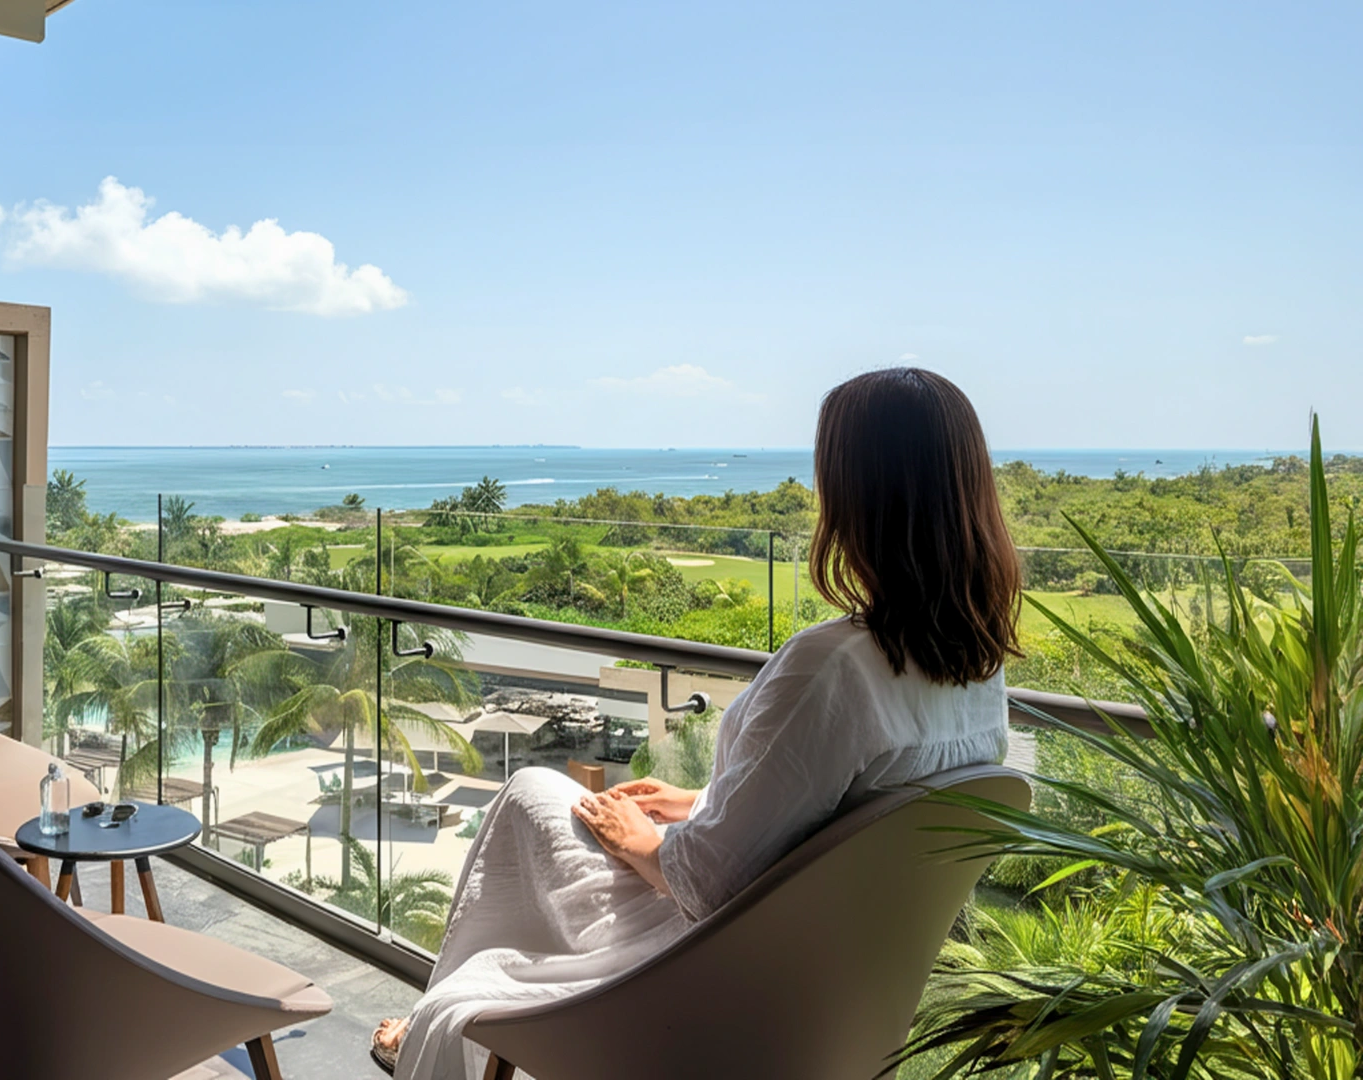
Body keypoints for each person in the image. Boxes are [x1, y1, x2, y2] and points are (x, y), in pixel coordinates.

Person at [371, 368, 1021, 1079]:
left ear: (858, 500)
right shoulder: (980, 677)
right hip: (832, 995)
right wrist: (701, 803)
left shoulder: (834, 668)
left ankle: (450, 1030)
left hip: (709, 976)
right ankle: (450, 1027)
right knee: (561, 809)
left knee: (530, 792)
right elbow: (842, 831)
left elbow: (709, 882)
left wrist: (645, 840)